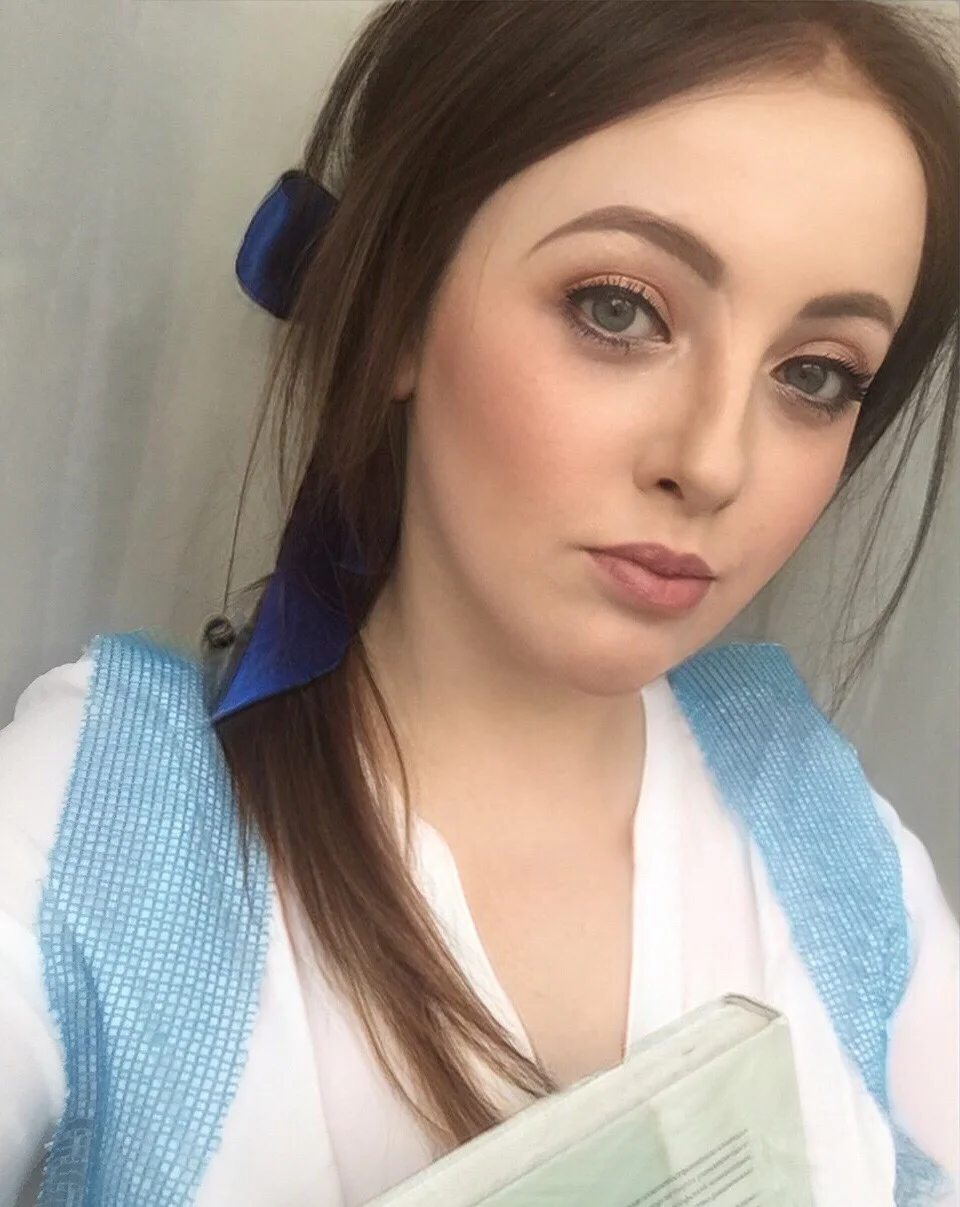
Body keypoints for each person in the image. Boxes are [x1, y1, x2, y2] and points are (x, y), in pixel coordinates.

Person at [1, 1, 958, 1204]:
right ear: (396, 305)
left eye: (815, 374)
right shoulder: (94, 824)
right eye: (619, 308)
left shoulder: (838, 842)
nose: (716, 463)